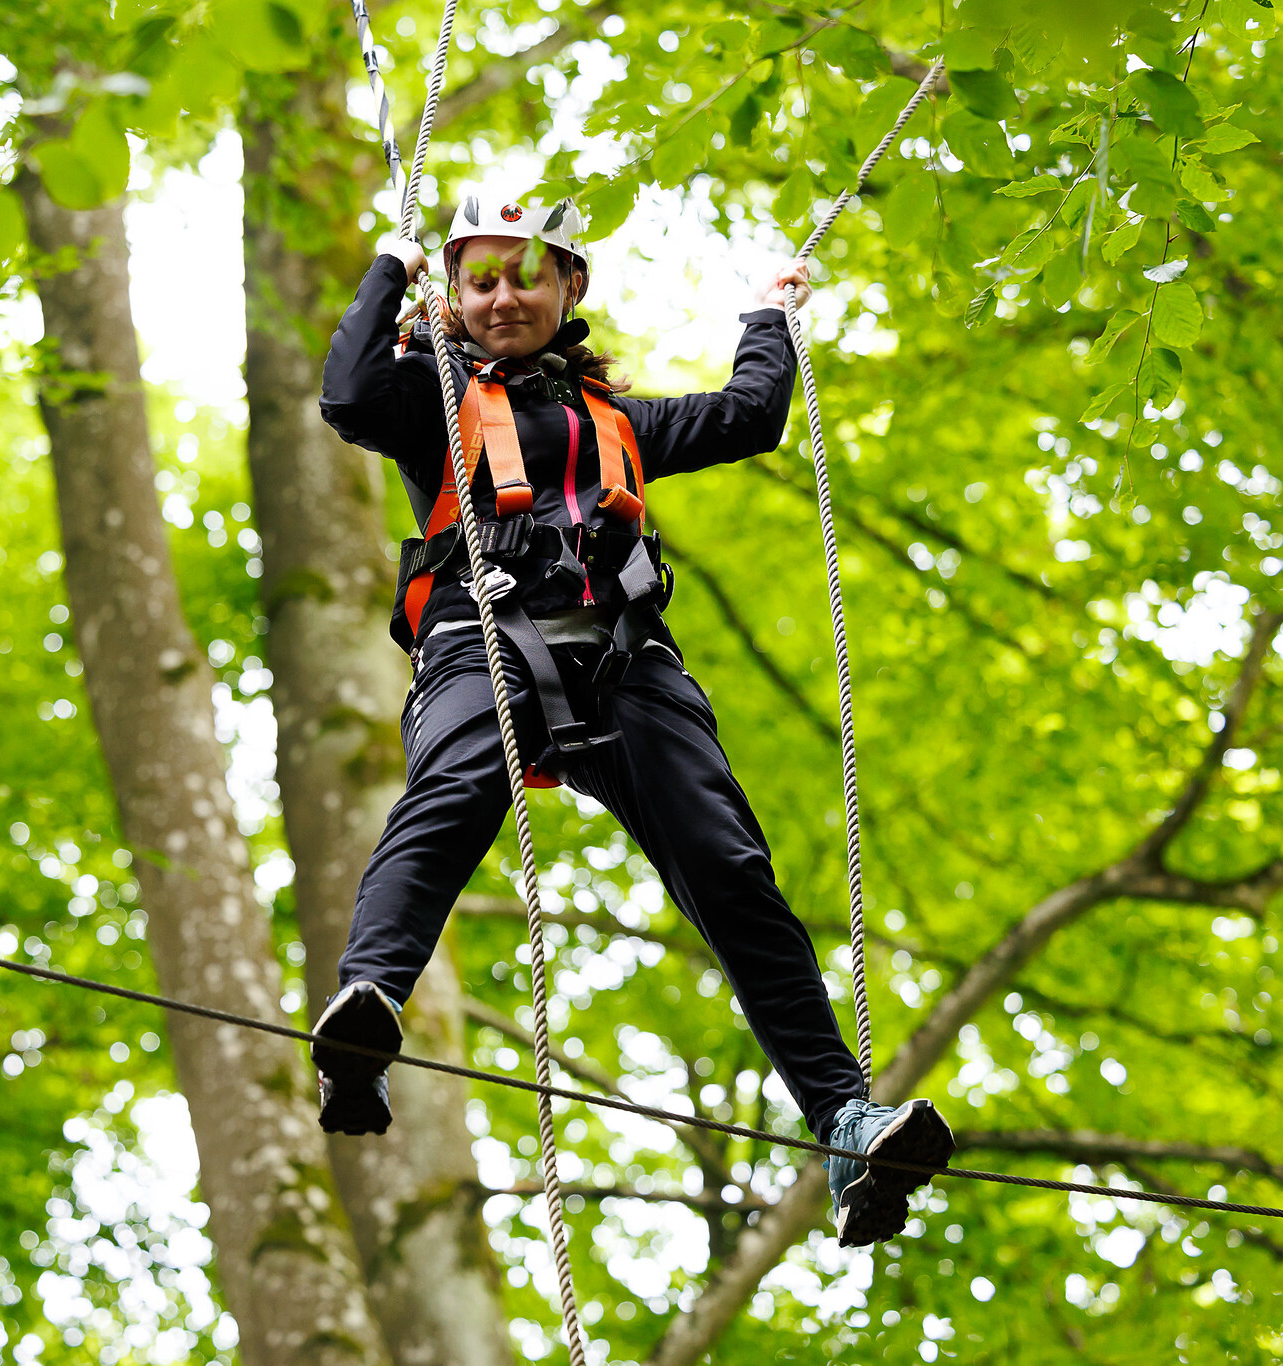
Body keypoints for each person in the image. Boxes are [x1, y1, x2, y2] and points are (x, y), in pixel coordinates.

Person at [312, 196, 953, 1247]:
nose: (503, 295)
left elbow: (748, 415)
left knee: (730, 870)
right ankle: (364, 1013)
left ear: (569, 288)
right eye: (478, 281)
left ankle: (841, 1121)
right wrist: (387, 265)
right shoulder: (428, 401)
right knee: (454, 793)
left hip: (625, 661)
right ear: (453, 299)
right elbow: (347, 393)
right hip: (482, 635)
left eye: (526, 275)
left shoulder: (624, 425)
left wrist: (769, 317)